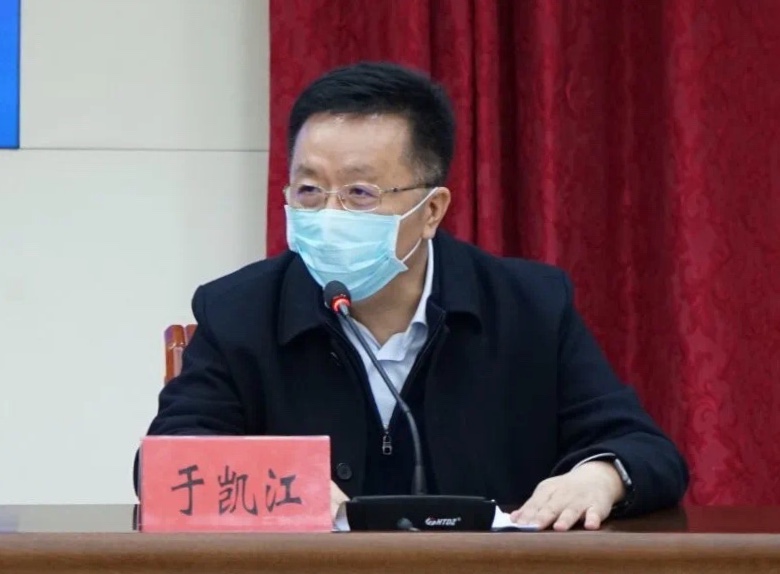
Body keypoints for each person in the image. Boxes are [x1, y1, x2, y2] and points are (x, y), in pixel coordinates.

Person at [134, 61, 688, 531]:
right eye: (308, 190)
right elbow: (165, 462)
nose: (328, 213)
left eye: (359, 192)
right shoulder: (238, 311)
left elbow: (645, 450)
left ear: (431, 211)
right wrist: (285, 486)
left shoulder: (530, 306)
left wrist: (601, 477)